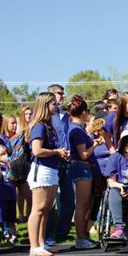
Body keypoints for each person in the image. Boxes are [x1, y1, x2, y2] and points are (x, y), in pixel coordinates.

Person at [26, 92, 70, 256]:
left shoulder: (48, 125)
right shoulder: (39, 126)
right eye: (53, 104)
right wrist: (56, 151)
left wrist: (59, 153)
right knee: (38, 209)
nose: (56, 106)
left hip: (51, 170)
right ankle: (34, 247)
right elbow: (37, 151)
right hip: (41, 170)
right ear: (45, 106)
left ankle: (42, 243)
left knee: (46, 210)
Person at [67, 95, 104, 249]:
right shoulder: (77, 131)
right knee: (82, 205)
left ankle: (84, 236)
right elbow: (84, 154)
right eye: (87, 111)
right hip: (81, 167)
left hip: (83, 168)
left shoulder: (77, 129)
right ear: (83, 113)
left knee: (86, 204)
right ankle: (81, 238)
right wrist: (95, 144)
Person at [46, 84, 72, 244]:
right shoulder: (44, 116)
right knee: (48, 203)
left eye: (63, 93)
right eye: (59, 93)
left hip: (66, 162)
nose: (62, 96)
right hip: (51, 163)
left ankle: (61, 234)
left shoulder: (64, 115)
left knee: (69, 201)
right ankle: (46, 235)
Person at [0, 145, 18, 246]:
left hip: (11, 196)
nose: (4, 156)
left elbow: (15, 177)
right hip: (0, 198)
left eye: (5, 154)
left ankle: (14, 236)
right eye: (1, 154)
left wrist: (9, 163)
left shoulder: (9, 165)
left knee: (11, 219)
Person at [15, 106, 33, 223]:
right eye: (26, 114)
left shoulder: (34, 127)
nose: (28, 116)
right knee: (20, 193)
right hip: (20, 163)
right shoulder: (20, 129)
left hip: (30, 162)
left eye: (30, 113)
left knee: (29, 191)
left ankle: (29, 214)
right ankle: (21, 214)